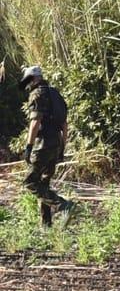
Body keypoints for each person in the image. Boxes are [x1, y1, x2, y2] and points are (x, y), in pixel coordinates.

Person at [19, 66, 74, 227]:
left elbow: (35, 122)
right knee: (44, 184)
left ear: (35, 78)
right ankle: (46, 225)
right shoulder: (56, 94)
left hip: (42, 145)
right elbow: (64, 124)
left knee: (30, 182)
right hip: (56, 143)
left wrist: (28, 147)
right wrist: (62, 146)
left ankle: (63, 205)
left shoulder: (37, 94)